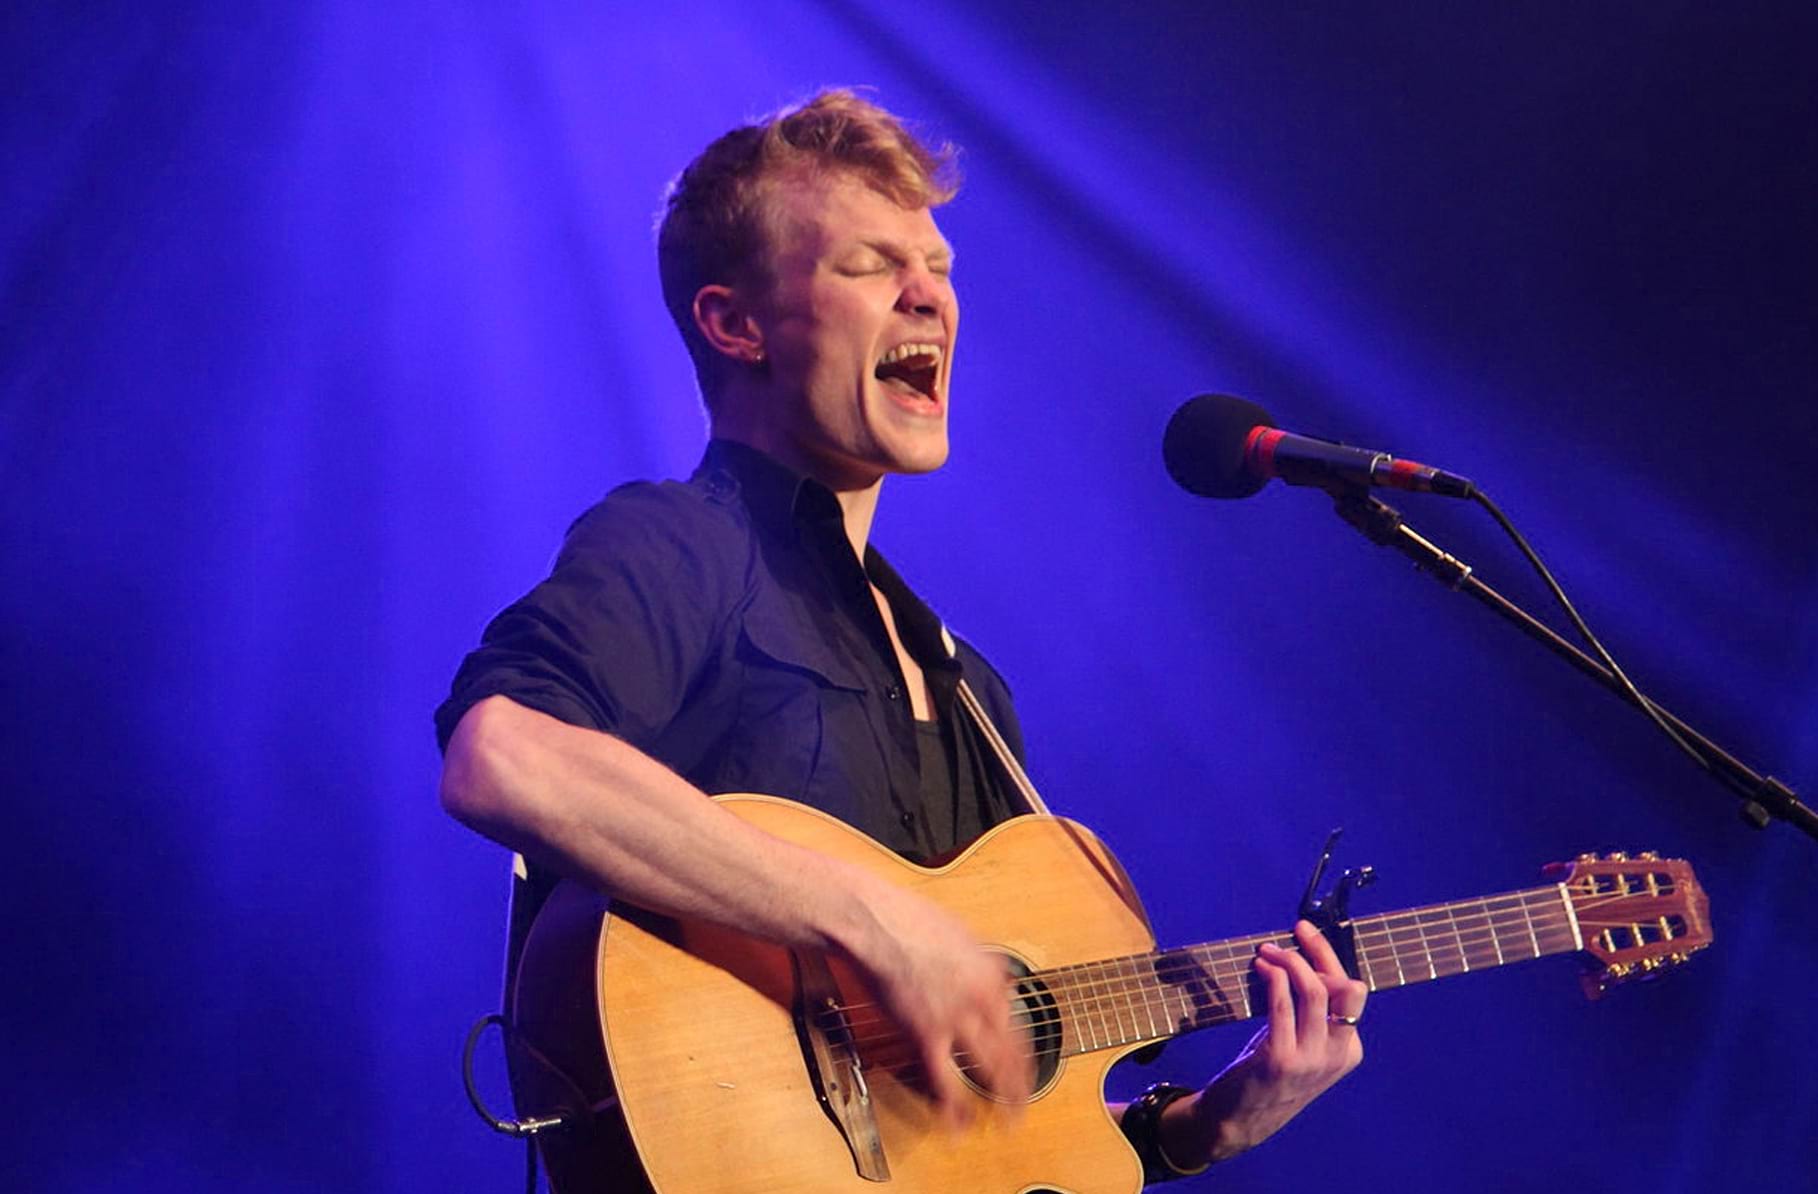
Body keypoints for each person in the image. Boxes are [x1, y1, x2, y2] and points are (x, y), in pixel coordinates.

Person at [436, 88, 1366, 1184]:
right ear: (736, 324)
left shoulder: (964, 683)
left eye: (939, 266)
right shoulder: (682, 544)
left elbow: (1004, 1132)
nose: (929, 294)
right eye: (871, 266)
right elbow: (503, 755)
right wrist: (866, 921)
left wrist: (1210, 1124)